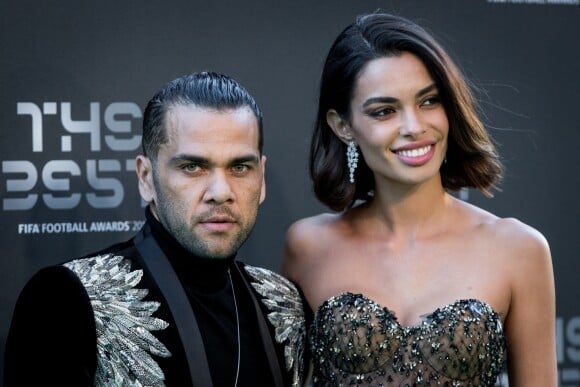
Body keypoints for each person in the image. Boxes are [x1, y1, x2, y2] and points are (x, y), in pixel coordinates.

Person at [280, 13, 556, 386]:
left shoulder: (519, 249)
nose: (413, 126)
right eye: (384, 111)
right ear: (343, 126)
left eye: (429, 101)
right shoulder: (308, 247)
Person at [5, 72, 305, 387]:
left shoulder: (283, 302)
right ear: (146, 178)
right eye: (192, 167)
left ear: (262, 178)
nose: (221, 191)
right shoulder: (65, 302)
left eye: (240, 167)